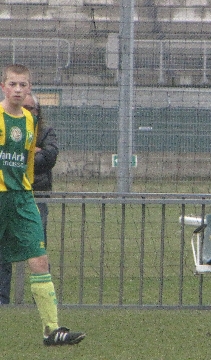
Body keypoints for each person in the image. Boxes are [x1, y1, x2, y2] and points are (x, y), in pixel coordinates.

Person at [0, 64, 84, 345]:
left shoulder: (29, 121)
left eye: (23, 85)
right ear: (3, 87)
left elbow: (29, 161)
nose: (18, 89)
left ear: (29, 89)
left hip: (23, 199)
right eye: (13, 84)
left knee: (39, 259)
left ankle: (52, 330)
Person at [0, 93, 58, 305]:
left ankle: (41, 302)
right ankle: (2, 300)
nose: (28, 111)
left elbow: (48, 157)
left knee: (38, 250)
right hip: (6, 195)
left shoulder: (44, 131)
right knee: (3, 252)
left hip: (35, 196)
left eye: (32, 108)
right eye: (24, 106)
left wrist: (27, 155)